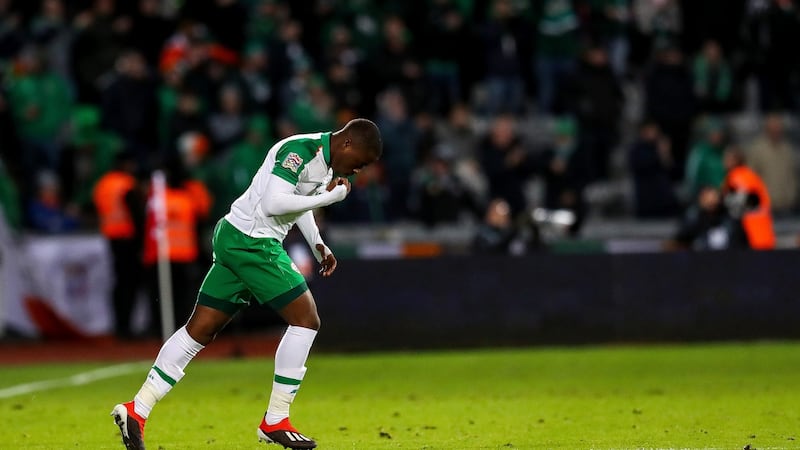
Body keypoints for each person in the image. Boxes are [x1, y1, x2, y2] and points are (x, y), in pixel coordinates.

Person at [111, 118, 382, 450]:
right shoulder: (300, 150)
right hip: (253, 241)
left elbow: (298, 203)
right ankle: (276, 420)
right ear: (348, 144)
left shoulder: (325, 164)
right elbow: (274, 203)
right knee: (306, 320)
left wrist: (317, 243)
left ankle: (135, 410)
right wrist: (328, 200)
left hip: (238, 236)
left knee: (200, 330)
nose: (358, 171)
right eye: (361, 162)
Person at [92, 151, 145, 339]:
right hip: (128, 238)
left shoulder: (103, 183)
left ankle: (119, 325)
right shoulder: (126, 184)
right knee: (129, 284)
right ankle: (127, 327)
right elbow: (137, 213)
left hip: (111, 237)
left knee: (119, 283)